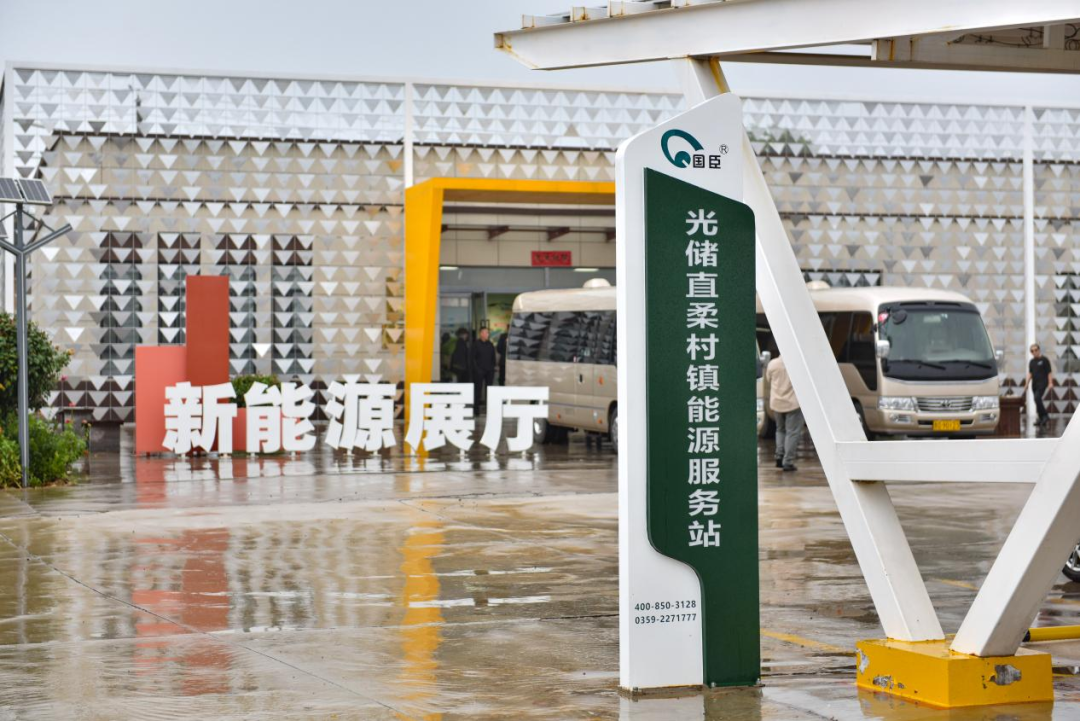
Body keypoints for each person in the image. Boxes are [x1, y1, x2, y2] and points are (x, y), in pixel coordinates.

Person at [765, 354, 803, 472]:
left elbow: (768, 379)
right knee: (792, 432)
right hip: (793, 403)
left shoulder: (773, 364)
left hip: (777, 403)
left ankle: (779, 456)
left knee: (780, 430)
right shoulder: (797, 364)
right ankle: (788, 462)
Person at [1024, 343, 1055, 427]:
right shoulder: (1031, 362)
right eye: (1032, 351)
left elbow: (1049, 372)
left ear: (1039, 350)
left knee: (1037, 398)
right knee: (1037, 400)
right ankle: (1041, 419)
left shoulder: (1044, 360)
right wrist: (1026, 383)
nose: (1034, 352)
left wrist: (1050, 383)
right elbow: (1030, 373)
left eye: (1035, 350)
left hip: (1042, 383)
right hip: (1034, 384)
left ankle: (1045, 416)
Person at [472, 326, 497, 408]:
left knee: (489, 390)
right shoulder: (475, 344)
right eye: (485, 332)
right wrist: (477, 369)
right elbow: (472, 358)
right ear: (481, 333)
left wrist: (493, 367)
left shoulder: (490, 344)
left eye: (488, 333)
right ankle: (476, 409)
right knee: (477, 390)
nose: (487, 334)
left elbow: (493, 357)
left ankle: (488, 408)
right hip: (479, 371)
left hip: (489, 371)